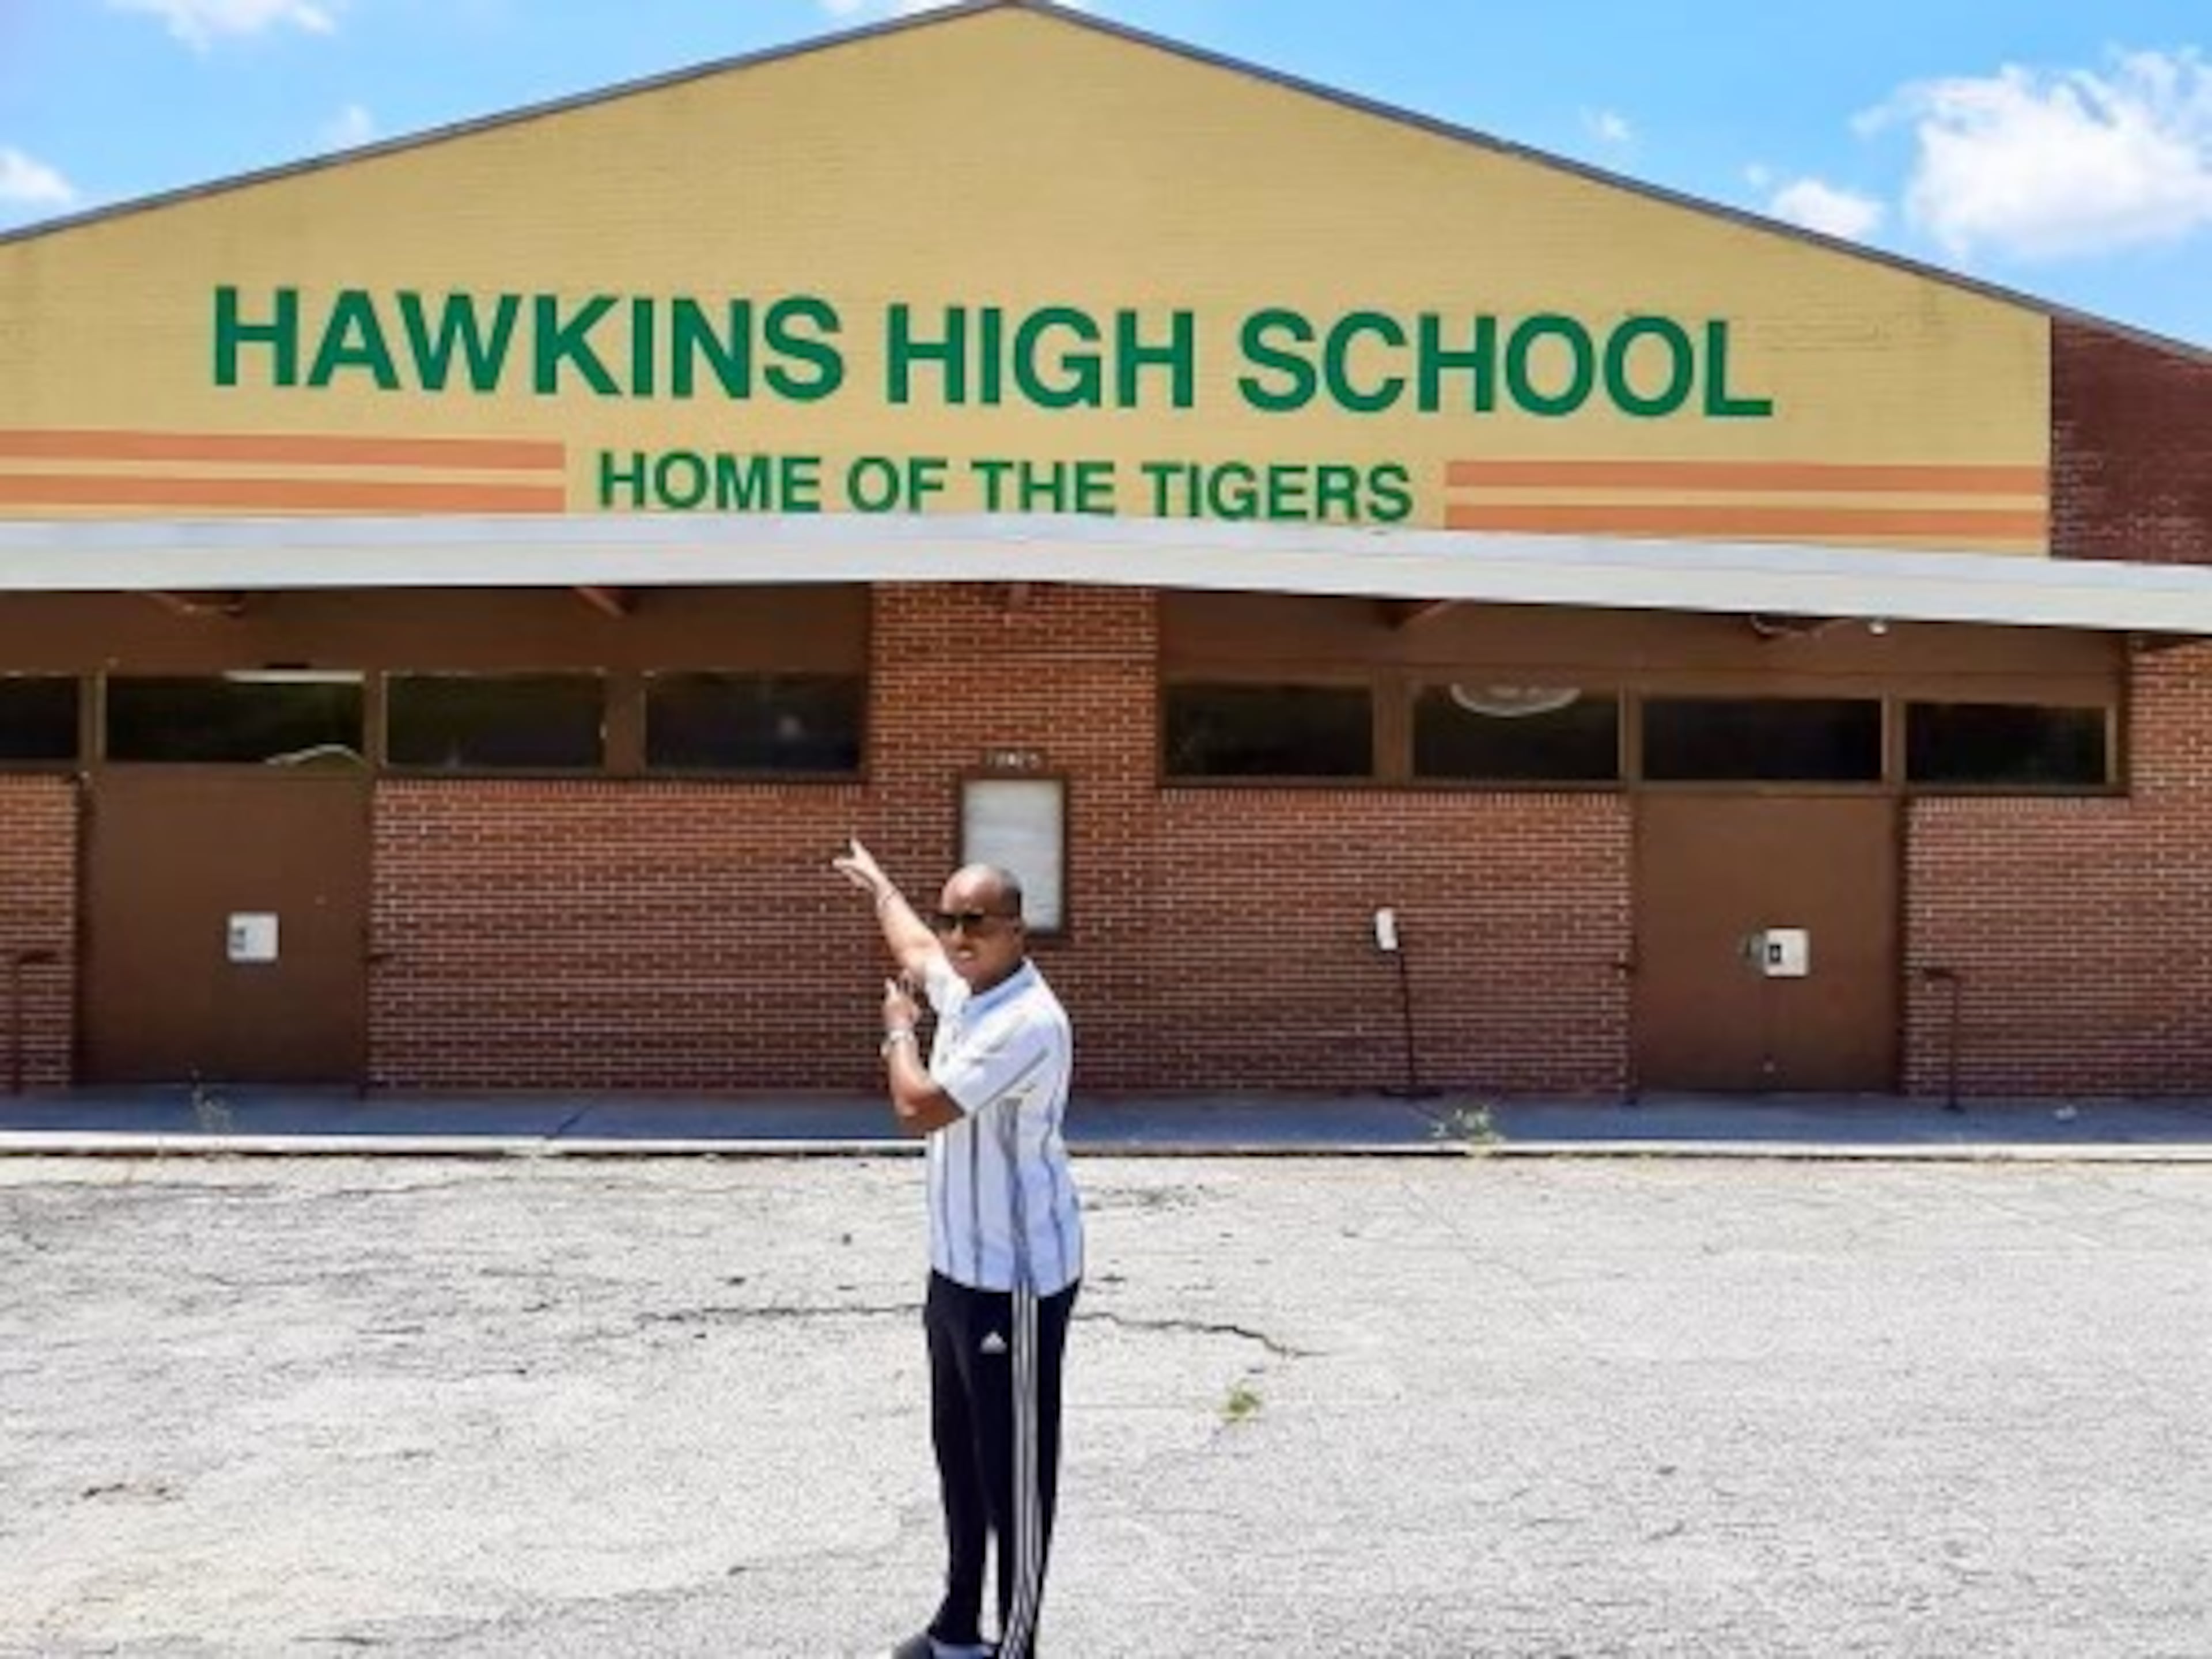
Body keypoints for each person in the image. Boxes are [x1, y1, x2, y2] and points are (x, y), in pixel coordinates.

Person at [832, 838, 1084, 1659]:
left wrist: (896, 1034)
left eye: (978, 921)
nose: (958, 936)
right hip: (957, 1273)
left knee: (1015, 1472)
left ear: (1018, 930)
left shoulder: (1026, 1022)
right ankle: (957, 1628)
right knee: (960, 1453)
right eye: (951, 920)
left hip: (1016, 1282)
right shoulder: (971, 990)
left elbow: (919, 1108)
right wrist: (881, 888)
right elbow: (915, 949)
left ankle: (1017, 1645)